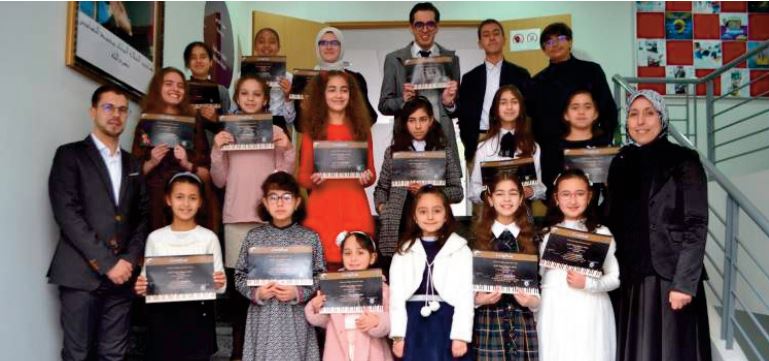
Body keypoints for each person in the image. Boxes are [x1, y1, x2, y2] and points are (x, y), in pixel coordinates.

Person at [606, 90, 711, 361]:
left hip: (670, 279)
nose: (640, 121)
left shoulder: (684, 160)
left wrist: (685, 284)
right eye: (633, 114)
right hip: (629, 280)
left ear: (662, 118)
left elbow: (696, 224)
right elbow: (610, 217)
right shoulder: (620, 162)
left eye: (649, 113)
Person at [47, 85, 148, 361]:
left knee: (114, 354)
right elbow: (67, 214)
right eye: (108, 107)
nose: (116, 114)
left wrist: (128, 260)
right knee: (77, 354)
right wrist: (107, 263)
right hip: (80, 275)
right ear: (93, 111)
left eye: (122, 109)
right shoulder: (70, 155)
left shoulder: (133, 163)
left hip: (122, 279)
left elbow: (142, 217)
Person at [210, 75, 295, 361]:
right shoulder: (228, 132)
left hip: (267, 222)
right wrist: (217, 151)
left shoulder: (273, 131)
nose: (249, 98)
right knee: (239, 295)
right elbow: (219, 181)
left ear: (265, 99)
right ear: (236, 98)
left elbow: (285, 177)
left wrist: (285, 147)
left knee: (268, 291)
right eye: (244, 93)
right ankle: (238, 353)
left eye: (255, 94)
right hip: (235, 220)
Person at [133, 172, 226, 361]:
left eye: (192, 198)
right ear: (168, 199)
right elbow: (146, 283)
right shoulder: (156, 238)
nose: (186, 204)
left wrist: (219, 282)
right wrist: (141, 287)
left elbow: (221, 286)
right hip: (162, 319)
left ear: (200, 202)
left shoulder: (209, 238)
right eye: (179, 197)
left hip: (198, 317)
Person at [234, 171, 325, 361]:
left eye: (286, 197)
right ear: (265, 203)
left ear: (297, 202)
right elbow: (239, 275)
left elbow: (321, 276)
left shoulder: (309, 237)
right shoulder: (254, 236)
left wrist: (298, 293)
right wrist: (256, 294)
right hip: (263, 315)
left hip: (296, 315)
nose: (280, 203)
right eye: (273, 197)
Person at [297, 70, 376, 271]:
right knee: (325, 275)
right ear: (322, 94)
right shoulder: (311, 131)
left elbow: (371, 174)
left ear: (351, 95)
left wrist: (366, 177)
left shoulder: (361, 129)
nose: (338, 95)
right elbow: (303, 177)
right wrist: (314, 179)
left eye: (344, 90)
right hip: (322, 210)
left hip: (354, 207)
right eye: (332, 90)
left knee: (357, 272)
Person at [537, 169, 619, 361]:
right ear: (556, 198)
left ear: (589, 196)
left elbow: (615, 278)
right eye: (566, 194)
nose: (573, 201)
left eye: (579, 194)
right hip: (554, 309)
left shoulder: (601, 232)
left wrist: (589, 284)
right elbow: (541, 276)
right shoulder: (546, 234)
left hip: (590, 309)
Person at [374, 96, 463, 266]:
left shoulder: (443, 151)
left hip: (432, 222)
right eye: (412, 120)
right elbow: (381, 188)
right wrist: (382, 208)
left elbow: (457, 191)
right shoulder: (393, 152)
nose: (418, 126)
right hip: (398, 223)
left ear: (431, 121)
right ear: (405, 123)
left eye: (423, 119)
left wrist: (430, 189)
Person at [528, 22, 617, 190]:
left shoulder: (592, 71)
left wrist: (602, 143)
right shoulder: (537, 81)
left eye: (560, 38)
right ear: (543, 49)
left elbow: (608, 110)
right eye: (549, 41)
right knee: (555, 200)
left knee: (589, 197)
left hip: (589, 150)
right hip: (553, 153)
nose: (555, 44)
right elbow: (534, 122)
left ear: (570, 42)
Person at [388, 186, 474, 361]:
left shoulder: (460, 249)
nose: (430, 216)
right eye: (423, 211)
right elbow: (395, 298)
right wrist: (398, 336)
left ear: (446, 215)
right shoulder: (403, 251)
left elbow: (465, 296)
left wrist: (461, 335)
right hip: (413, 325)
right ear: (414, 216)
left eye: (436, 210)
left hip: (447, 322)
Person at [131, 67, 217, 232]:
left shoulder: (194, 121)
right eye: (169, 84)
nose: (175, 89)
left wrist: (187, 164)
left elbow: (207, 175)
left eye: (180, 86)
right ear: (158, 88)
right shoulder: (146, 122)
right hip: (153, 206)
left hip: (189, 205)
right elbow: (133, 173)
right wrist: (151, 162)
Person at [378, 2, 461, 165]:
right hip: (408, 142)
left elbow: (458, 108)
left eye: (430, 24)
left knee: (446, 190)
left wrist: (449, 102)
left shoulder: (451, 59)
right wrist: (403, 101)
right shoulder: (394, 60)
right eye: (419, 24)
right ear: (411, 27)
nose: (425, 29)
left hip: (442, 140)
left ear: (437, 27)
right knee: (409, 189)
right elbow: (384, 105)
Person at [471, 172, 540, 361]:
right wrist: (478, 300)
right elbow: (463, 289)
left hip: (524, 324)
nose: (507, 199)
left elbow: (541, 288)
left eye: (513, 193)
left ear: (521, 199)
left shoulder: (534, 240)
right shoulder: (475, 242)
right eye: (500, 193)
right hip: (488, 323)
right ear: (490, 199)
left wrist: (532, 303)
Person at [305, 231, 393, 361]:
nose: (353, 258)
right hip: (338, 350)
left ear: (372, 257)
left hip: (372, 352)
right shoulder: (332, 285)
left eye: (360, 252)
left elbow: (391, 318)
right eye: (348, 253)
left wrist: (377, 322)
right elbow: (325, 321)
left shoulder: (382, 288)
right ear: (342, 256)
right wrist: (316, 307)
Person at [458, 19, 531, 165]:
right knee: (481, 187)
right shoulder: (469, 78)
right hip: (480, 138)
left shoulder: (520, 74)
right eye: (486, 35)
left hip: (513, 137)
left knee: (514, 186)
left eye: (496, 33)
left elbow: (528, 110)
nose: (491, 38)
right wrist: (470, 140)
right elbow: (463, 115)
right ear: (480, 43)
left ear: (504, 39)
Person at [469, 85, 546, 204]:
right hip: (492, 214)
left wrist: (531, 191)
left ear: (521, 107)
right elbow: (474, 189)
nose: (509, 107)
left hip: (523, 213)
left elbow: (540, 187)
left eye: (514, 102)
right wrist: (488, 194)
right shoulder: (484, 147)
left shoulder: (533, 147)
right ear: (495, 108)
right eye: (503, 102)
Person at [557, 89, 612, 213]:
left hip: (599, 218)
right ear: (566, 114)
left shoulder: (605, 148)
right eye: (575, 107)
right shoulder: (554, 148)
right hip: (563, 219)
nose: (581, 112)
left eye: (587, 107)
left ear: (596, 113)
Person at [313, 26, 378, 125]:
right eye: (323, 43)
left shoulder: (356, 78)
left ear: (342, 46)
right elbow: (299, 124)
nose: (329, 47)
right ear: (317, 47)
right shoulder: (305, 79)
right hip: (316, 136)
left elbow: (370, 117)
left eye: (334, 43)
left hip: (349, 137)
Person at [252, 27, 296, 126]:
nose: (266, 45)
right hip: (251, 128)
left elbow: (289, 121)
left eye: (272, 42)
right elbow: (234, 111)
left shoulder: (288, 78)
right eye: (261, 41)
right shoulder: (243, 77)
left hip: (278, 129)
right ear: (255, 47)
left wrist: (288, 96)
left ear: (278, 47)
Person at [183, 41, 231, 131]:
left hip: (212, 142)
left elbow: (227, 125)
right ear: (188, 64)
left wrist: (215, 118)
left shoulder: (221, 90)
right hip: (185, 140)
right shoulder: (181, 87)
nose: (198, 61)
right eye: (193, 58)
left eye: (203, 57)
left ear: (211, 62)